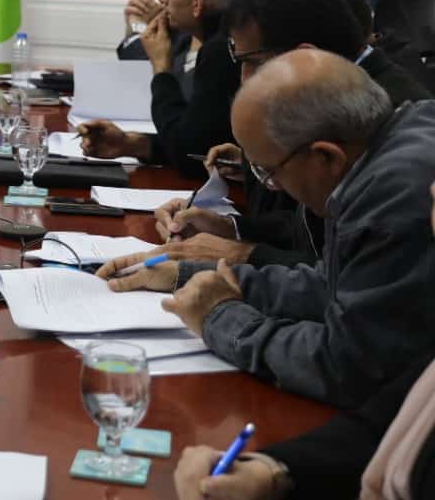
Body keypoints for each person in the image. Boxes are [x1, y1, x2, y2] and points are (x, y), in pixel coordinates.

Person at [99, 50, 435, 408]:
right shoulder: (403, 132)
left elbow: (345, 366)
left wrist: (219, 317)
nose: (270, 185)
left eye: (267, 172)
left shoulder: (393, 194)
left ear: (326, 157)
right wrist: (197, 276)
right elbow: (334, 286)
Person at [150, 0, 431, 267]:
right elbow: (309, 227)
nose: (244, 78)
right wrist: (232, 227)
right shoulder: (334, 94)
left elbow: (345, 272)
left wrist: (241, 255)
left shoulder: (380, 120)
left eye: (251, 61)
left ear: (302, 55)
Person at [171, 180, 435, 500]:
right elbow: (379, 425)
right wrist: (271, 471)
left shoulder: (392, 184)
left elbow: (343, 361)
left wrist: (223, 318)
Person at [80, 0, 249, 176]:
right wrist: (133, 144)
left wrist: (161, 69)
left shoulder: (221, 50)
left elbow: (189, 155)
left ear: (196, 2)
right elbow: (199, 139)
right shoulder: (235, 36)